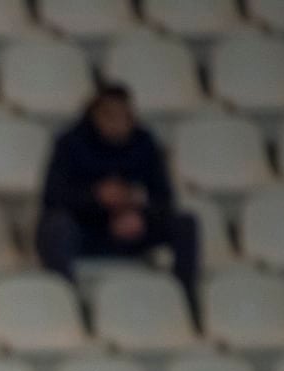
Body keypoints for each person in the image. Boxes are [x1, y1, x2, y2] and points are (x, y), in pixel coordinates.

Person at [36, 84, 200, 322]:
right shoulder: (71, 144)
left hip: (130, 229)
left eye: (123, 115)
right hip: (86, 229)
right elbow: (52, 197)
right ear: (94, 114)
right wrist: (95, 197)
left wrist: (139, 210)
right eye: (109, 115)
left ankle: (184, 300)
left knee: (185, 223)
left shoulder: (144, 144)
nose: (116, 122)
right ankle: (65, 305)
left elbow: (163, 198)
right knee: (56, 227)